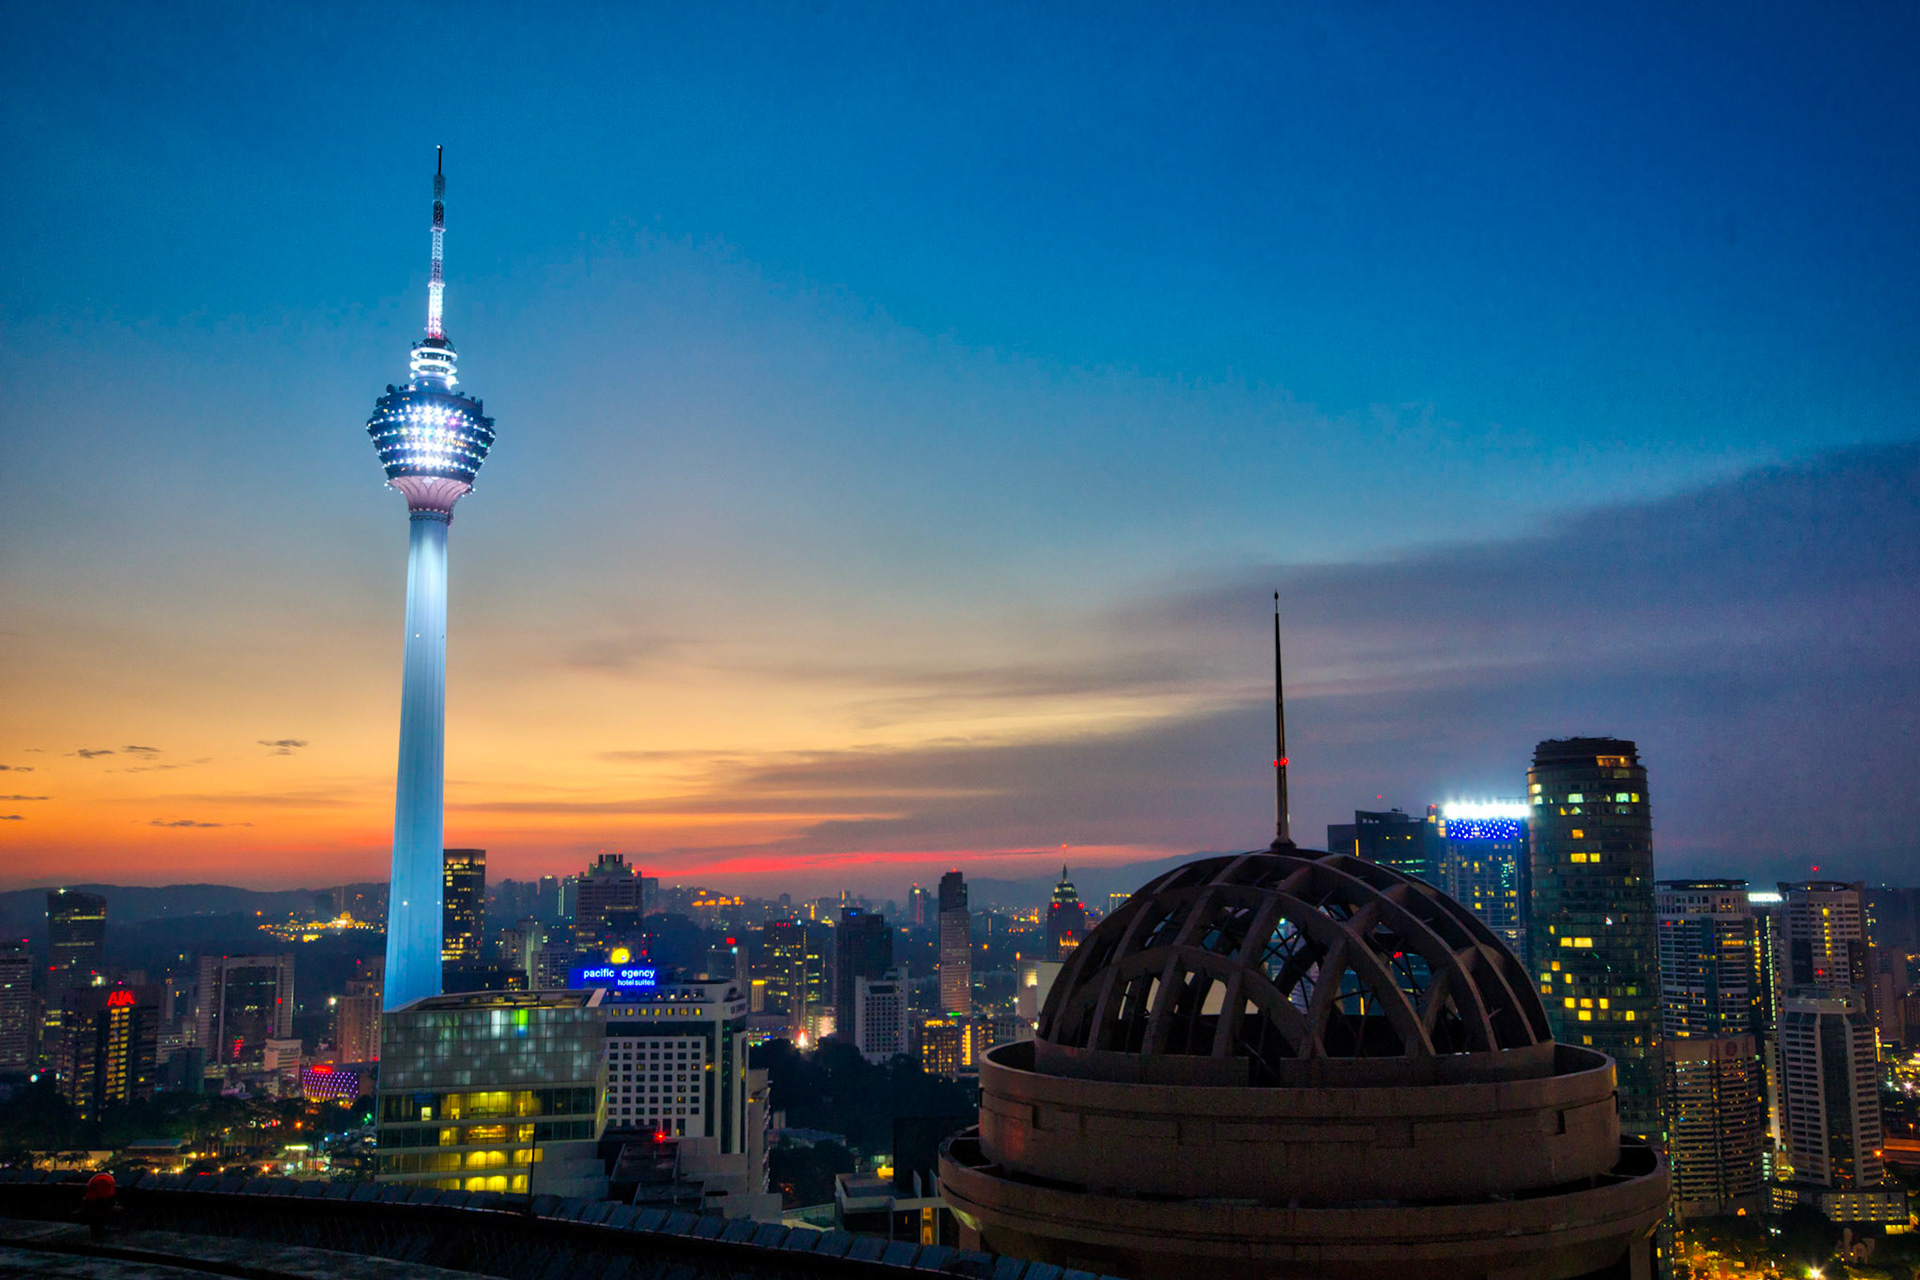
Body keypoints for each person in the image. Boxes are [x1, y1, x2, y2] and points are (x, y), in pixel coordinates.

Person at [80, 1172, 116, 1241]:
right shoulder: (108, 1182)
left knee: (95, 1217)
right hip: (101, 1203)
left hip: (93, 1204)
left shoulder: (94, 1183)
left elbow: (88, 1196)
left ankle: (95, 1233)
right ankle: (98, 1233)